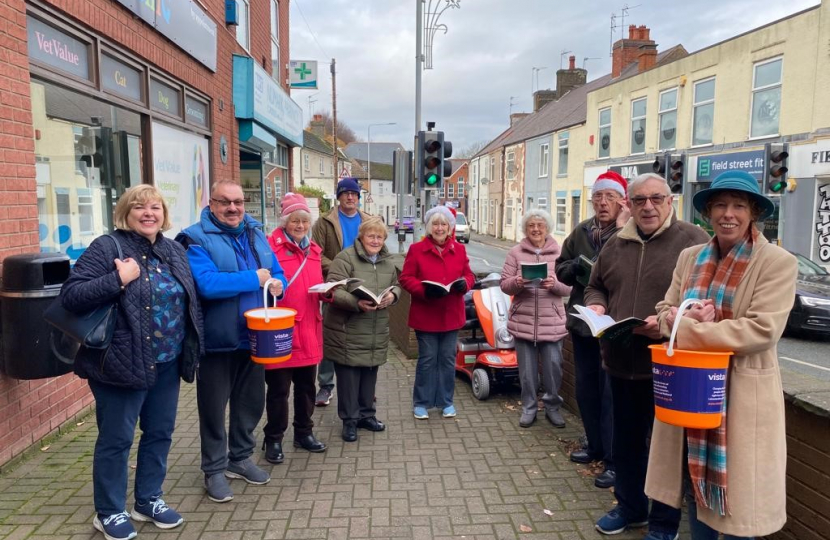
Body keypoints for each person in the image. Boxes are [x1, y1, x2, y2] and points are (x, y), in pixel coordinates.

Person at [645, 171, 797, 539]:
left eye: (739, 206)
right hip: (689, 392)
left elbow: (761, 330)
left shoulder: (777, 261)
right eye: (720, 205)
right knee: (697, 488)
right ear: (708, 212)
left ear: (753, 213)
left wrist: (682, 328)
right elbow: (666, 306)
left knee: (738, 503)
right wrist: (677, 315)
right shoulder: (689, 257)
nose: (729, 214)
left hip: (740, 398)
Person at [61, 185, 203, 540]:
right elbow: (72, 296)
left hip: (167, 361)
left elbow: (188, 301)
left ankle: (148, 500)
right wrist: (118, 279)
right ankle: (108, 511)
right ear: (126, 212)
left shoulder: (173, 250)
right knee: (117, 438)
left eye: (155, 207)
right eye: (139, 207)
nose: (148, 213)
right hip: (120, 363)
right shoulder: (108, 247)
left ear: (164, 214)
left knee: (159, 433)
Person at [584, 173, 710, 539]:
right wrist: (597, 308)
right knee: (625, 444)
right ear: (630, 204)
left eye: (656, 198)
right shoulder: (615, 243)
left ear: (670, 201)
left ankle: (663, 524)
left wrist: (671, 322)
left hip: (670, 366)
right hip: (621, 360)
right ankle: (630, 507)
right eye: (639, 200)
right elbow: (595, 286)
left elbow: (707, 298)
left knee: (668, 452)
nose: (648, 207)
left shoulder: (693, 241)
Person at [176, 180, 286, 504]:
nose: (233, 208)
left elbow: (275, 271)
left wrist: (279, 284)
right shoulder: (195, 238)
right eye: (225, 202)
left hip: (255, 337)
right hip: (217, 339)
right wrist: (255, 278)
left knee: (251, 402)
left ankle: (240, 458)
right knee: (213, 408)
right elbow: (207, 284)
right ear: (211, 204)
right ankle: (213, 468)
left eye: (238, 202)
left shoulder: (255, 233)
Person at [555, 170, 630, 489]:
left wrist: (624, 230)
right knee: (586, 389)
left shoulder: (631, 233)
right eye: (598, 197)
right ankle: (595, 445)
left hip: (614, 327)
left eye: (610, 197)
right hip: (582, 323)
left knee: (610, 394)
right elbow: (560, 268)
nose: (602, 203)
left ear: (622, 202)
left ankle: (615, 460)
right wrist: (573, 269)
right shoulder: (581, 231)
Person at [261, 193, 327, 465]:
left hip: (309, 327)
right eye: (295, 220)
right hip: (281, 330)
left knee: (306, 387)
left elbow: (314, 285)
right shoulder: (269, 249)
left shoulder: (314, 251)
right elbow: (263, 287)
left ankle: (304, 432)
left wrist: (328, 293)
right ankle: (273, 437)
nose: (300, 226)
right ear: (285, 222)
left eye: (304, 221)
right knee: (278, 390)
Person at [322, 217, 400, 442]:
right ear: (361, 237)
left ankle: (367, 415)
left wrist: (393, 296)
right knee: (349, 377)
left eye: (380, 237)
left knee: (369, 374)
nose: (375, 240)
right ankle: (349, 420)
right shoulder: (345, 258)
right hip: (349, 328)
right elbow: (333, 289)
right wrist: (356, 304)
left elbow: (396, 284)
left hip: (375, 328)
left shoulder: (387, 260)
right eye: (371, 236)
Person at [399, 206, 475, 420]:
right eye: (435, 224)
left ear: (450, 227)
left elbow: (469, 275)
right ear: (429, 227)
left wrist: (465, 284)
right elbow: (405, 278)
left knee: (448, 360)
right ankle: (421, 402)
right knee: (428, 359)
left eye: (443, 224)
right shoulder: (416, 250)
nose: (439, 228)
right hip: (426, 315)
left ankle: (446, 401)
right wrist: (423, 290)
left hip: (452, 314)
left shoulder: (459, 249)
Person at [500, 209, 572, 429]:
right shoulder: (515, 252)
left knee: (553, 368)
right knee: (527, 372)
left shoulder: (559, 253)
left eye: (540, 225)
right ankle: (529, 408)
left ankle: (552, 407)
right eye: (531, 225)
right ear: (525, 228)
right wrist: (518, 282)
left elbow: (570, 287)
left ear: (547, 228)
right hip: (523, 320)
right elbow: (504, 284)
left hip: (552, 320)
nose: (535, 229)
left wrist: (555, 285)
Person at [311, 177, 370, 407]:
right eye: (345, 193)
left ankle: (362, 387)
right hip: (334, 285)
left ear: (358, 197)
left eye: (354, 193)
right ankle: (326, 386)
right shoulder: (324, 223)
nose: (350, 197)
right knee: (330, 336)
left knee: (359, 336)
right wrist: (339, 268)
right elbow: (316, 253)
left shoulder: (368, 220)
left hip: (361, 284)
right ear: (338, 196)